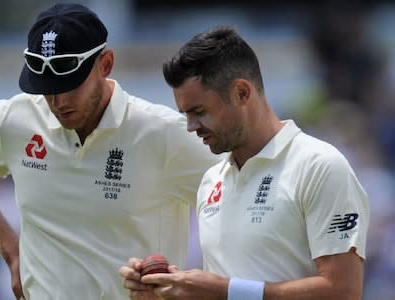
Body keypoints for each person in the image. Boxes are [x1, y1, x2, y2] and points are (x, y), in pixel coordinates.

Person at [0, 3, 220, 300]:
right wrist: (11, 251)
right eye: (46, 87)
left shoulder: (163, 133)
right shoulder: (13, 120)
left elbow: (237, 196)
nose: (58, 101)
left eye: (70, 85)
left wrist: (203, 286)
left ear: (106, 64)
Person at [119, 25, 370, 300]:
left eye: (199, 112)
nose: (190, 127)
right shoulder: (211, 181)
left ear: (241, 93)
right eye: (185, 114)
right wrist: (171, 290)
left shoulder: (320, 166)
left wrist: (224, 291)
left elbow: (343, 291)